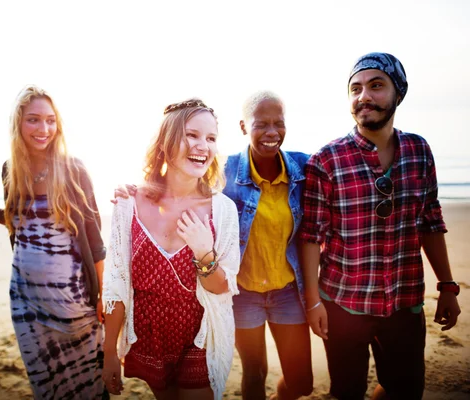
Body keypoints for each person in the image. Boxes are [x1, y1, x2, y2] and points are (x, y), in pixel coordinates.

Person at [299, 52, 462, 400]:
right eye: (355, 89)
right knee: (346, 391)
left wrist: (447, 285)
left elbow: (430, 221)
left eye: (376, 86)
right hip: (343, 304)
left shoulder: (419, 151)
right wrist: (313, 302)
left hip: (404, 302)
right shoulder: (326, 160)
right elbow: (311, 237)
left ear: (398, 92)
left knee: (405, 390)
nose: (364, 96)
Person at [0, 85, 108, 399]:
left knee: (89, 383)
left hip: (74, 301)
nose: (44, 129)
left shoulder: (74, 170)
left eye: (51, 120)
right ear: (19, 124)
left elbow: (95, 240)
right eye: (34, 120)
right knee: (46, 385)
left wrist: (101, 295)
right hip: (25, 299)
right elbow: (19, 221)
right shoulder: (11, 169)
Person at [102, 99, 240, 400]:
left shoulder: (223, 210)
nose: (202, 145)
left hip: (201, 337)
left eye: (211, 138)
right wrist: (109, 351)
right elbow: (116, 285)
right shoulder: (129, 205)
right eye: (192, 134)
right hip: (149, 336)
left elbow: (222, 288)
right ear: (166, 142)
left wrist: (204, 253)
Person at [222, 91, 313, 400]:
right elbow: (177, 185)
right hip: (243, 293)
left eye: (279, 123)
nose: (272, 132)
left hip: (287, 291)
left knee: (301, 382)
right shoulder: (225, 172)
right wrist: (136, 192)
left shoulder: (302, 168)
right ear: (243, 126)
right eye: (262, 124)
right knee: (254, 373)